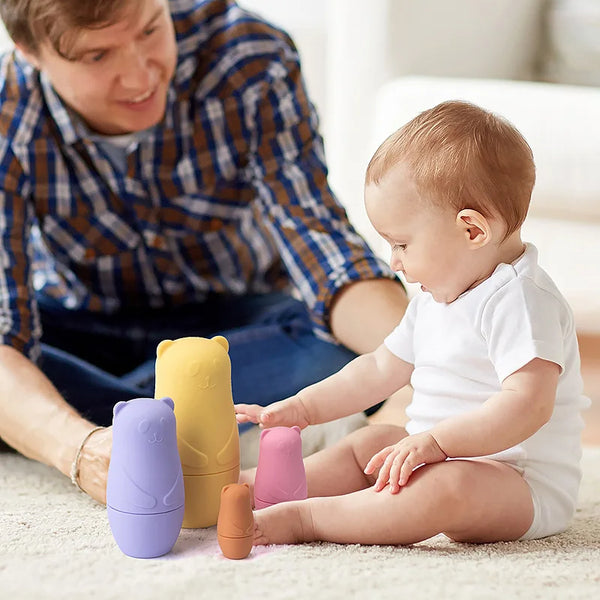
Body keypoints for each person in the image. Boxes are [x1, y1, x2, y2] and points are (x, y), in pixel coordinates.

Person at [0, 0, 407, 504]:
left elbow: (324, 250)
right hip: (79, 321)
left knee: (339, 344)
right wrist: (79, 451)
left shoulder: (249, 57)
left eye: (151, 30)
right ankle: (203, 424)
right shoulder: (7, 111)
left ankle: (78, 420)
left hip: (238, 328)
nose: (140, 75)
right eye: (98, 56)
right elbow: (6, 328)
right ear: (29, 51)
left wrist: (425, 366)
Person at [235, 100, 591, 546]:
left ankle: (309, 520)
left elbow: (527, 406)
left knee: (446, 489)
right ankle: (254, 486)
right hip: (436, 451)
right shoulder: (434, 296)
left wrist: (438, 445)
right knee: (372, 444)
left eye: (401, 244)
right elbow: (380, 369)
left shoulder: (521, 300)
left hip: (517, 482)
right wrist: (304, 409)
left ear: (472, 231)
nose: (394, 261)